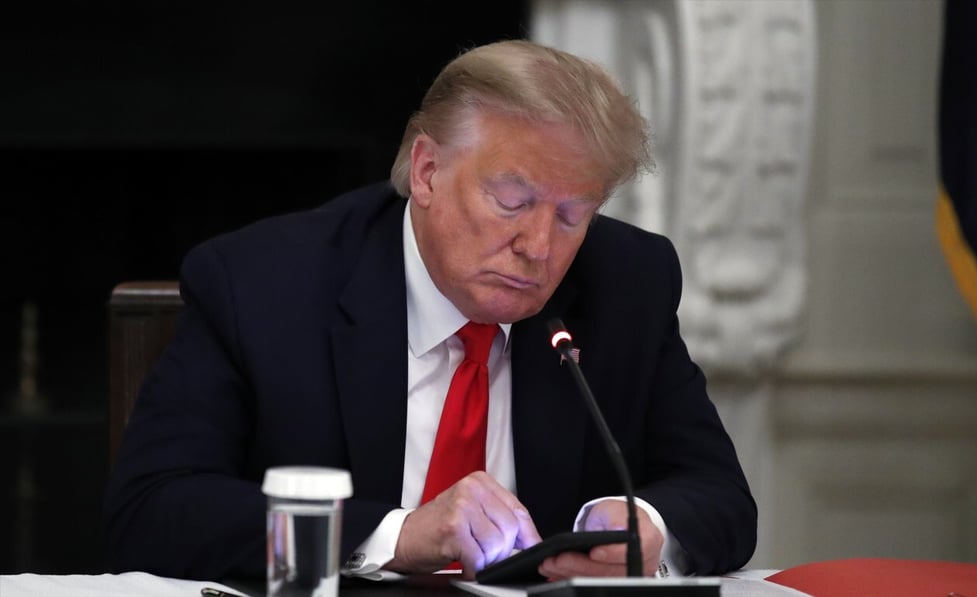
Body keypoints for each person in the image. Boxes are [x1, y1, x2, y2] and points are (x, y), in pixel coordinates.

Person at [104, 39, 756, 582]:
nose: (539, 246)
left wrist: (644, 524)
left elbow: (720, 496)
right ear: (426, 170)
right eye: (511, 200)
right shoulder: (263, 284)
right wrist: (398, 533)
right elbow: (152, 509)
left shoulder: (627, 283)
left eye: (571, 214)